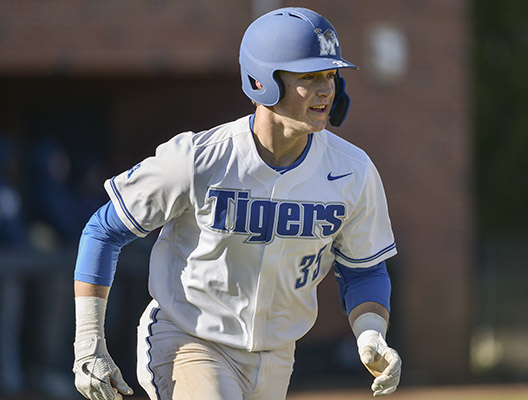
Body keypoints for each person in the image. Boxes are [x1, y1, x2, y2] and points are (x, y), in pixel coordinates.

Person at [72, 7, 401, 400]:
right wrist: (89, 343)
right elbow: (103, 230)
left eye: (330, 75)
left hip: (278, 355)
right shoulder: (198, 158)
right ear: (264, 82)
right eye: (309, 76)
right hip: (190, 339)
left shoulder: (354, 170)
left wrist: (371, 334)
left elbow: (364, 270)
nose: (327, 89)